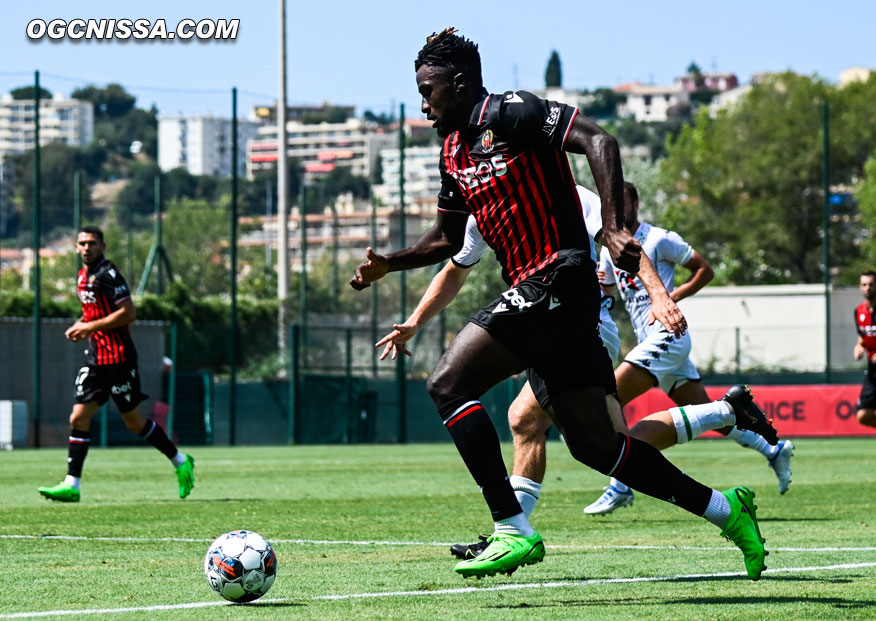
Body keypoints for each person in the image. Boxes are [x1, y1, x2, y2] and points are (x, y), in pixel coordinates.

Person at [351, 28, 768, 581]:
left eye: (430, 91)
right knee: (598, 448)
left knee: (448, 383)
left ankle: (511, 527)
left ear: (459, 83)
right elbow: (446, 241)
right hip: (548, 303)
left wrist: (616, 228)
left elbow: (600, 140)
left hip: (560, 279)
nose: (424, 104)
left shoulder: (512, 112)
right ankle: (726, 509)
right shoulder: (452, 149)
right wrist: (391, 263)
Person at [375, 185, 776, 560]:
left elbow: (622, 240)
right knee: (612, 447)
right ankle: (725, 445)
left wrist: (659, 294)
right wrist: (414, 321)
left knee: (531, 421)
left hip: (581, 328)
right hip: (552, 325)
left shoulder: (561, 189)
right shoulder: (487, 209)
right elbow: (454, 268)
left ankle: (512, 530)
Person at [581, 181, 794, 513]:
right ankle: (774, 449)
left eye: (622, 202)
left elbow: (704, 270)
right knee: (715, 419)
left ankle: (619, 484)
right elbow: (606, 291)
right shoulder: (609, 248)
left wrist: (670, 297)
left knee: (609, 399)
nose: (617, 210)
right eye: (612, 203)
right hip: (649, 340)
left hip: (666, 334)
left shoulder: (659, 238)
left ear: (635, 205)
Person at [38, 226, 195, 503]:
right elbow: (92, 313)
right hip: (96, 359)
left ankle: (181, 461)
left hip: (119, 359)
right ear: (76, 248)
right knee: (78, 417)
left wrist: (89, 327)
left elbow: (128, 313)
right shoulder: (81, 276)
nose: (87, 248)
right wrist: (81, 325)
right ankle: (71, 484)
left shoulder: (108, 275)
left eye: (92, 243)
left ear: (103, 246)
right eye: (82, 243)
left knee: (134, 423)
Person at [853, 270, 876, 429]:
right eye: (864, 284)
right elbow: (862, 336)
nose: (867, 288)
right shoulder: (859, 311)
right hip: (873, 371)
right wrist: (858, 346)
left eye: (871, 284)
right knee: (863, 415)